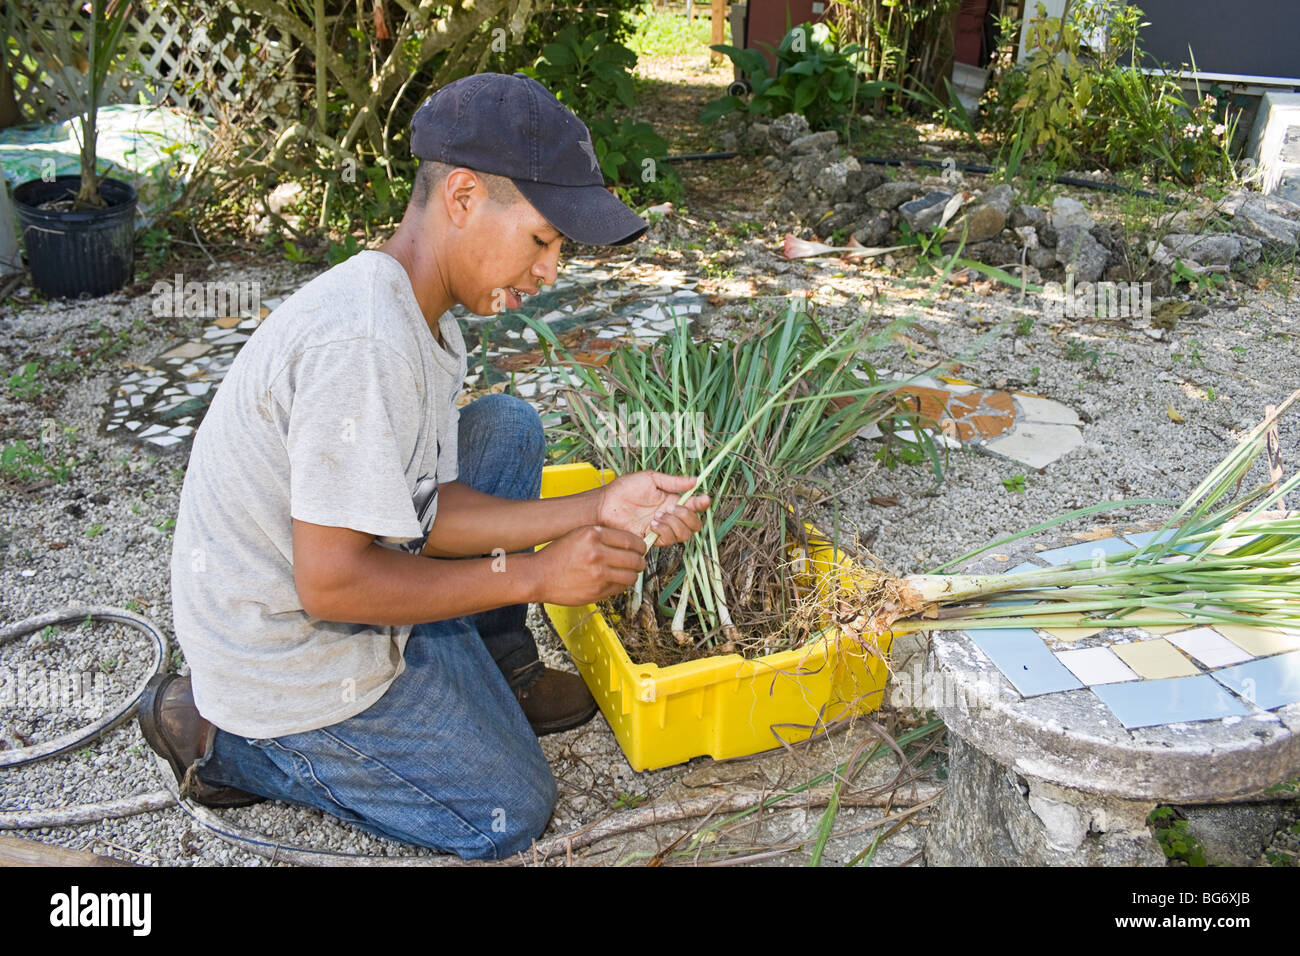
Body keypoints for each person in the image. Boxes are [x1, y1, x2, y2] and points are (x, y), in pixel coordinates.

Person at [138, 72, 712, 860]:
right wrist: (535, 576)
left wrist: (600, 505)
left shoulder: (423, 312)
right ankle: (222, 737)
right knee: (508, 808)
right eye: (543, 240)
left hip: (347, 579)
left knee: (505, 428)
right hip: (292, 649)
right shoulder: (365, 342)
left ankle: (491, 663)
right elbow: (332, 585)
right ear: (465, 198)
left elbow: (427, 508)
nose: (551, 272)